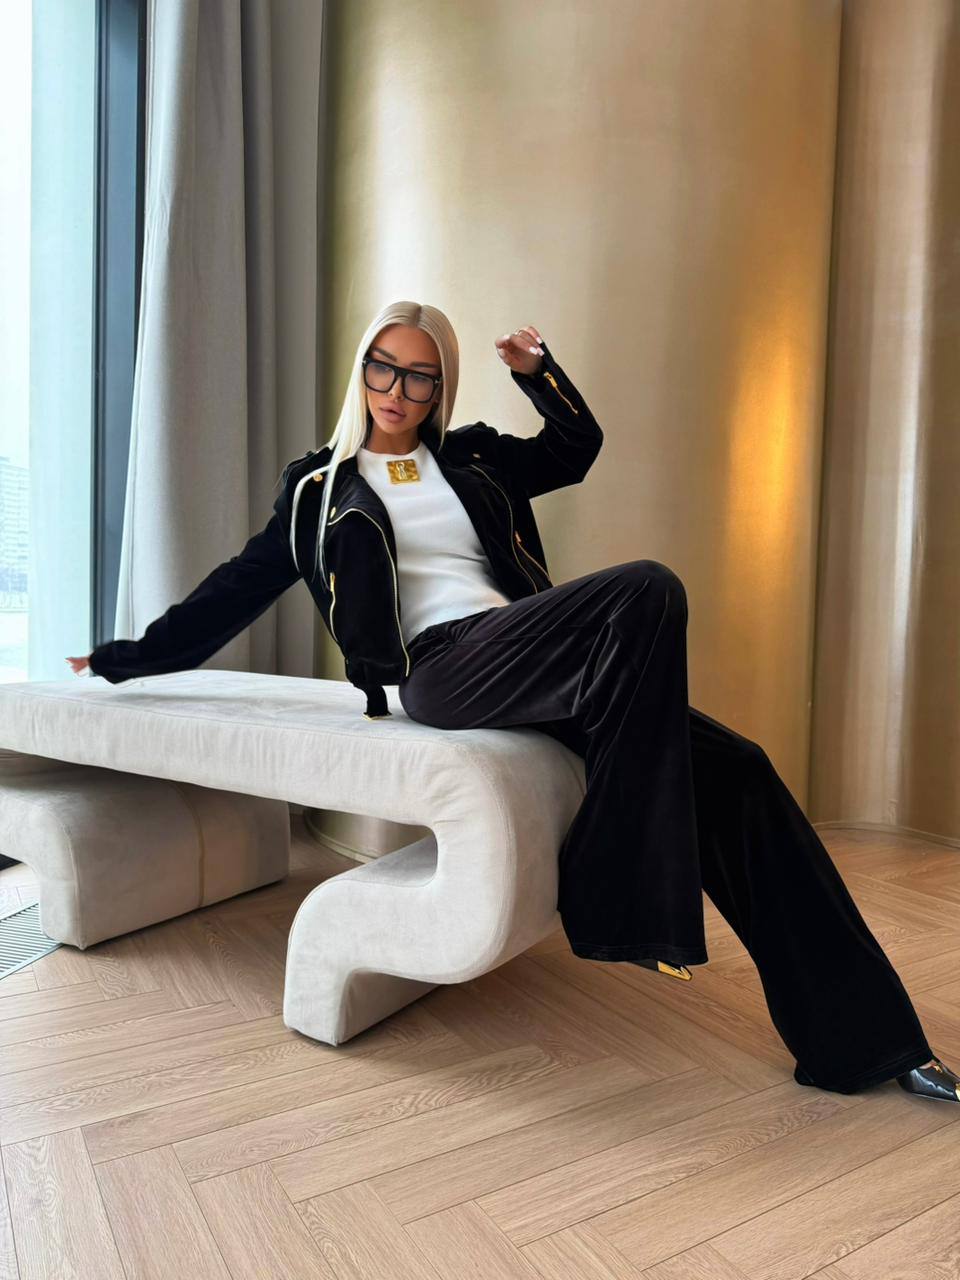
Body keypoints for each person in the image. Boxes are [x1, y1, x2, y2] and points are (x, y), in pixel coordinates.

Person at [67, 299, 959, 1104]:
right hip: (441, 670)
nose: (397, 391)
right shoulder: (317, 489)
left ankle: (870, 1045)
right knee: (647, 587)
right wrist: (122, 660)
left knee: (741, 773)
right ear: (362, 368)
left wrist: (540, 374)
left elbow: (575, 449)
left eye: (421, 376)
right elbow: (230, 593)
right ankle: (616, 884)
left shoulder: (476, 459)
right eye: (384, 367)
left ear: (440, 386)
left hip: (534, 653)